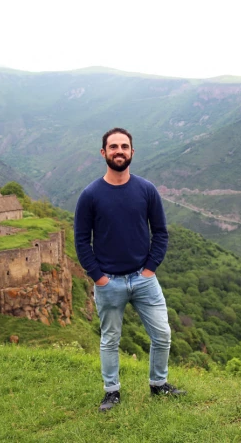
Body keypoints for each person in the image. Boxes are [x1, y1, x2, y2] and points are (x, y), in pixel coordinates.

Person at [74, 127, 186, 412]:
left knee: (162, 334)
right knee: (110, 339)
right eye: (113, 147)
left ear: (132, 152)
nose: (119, 151)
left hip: (143, 278)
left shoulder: (146, 190)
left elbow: (160, 232)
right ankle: (112, 392)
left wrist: (150, 269)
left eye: (124, 146)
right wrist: (98, 278)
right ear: (104, 153)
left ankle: (158, 385)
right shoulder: (90, 195)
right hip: (108, 282)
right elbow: (81, 240)